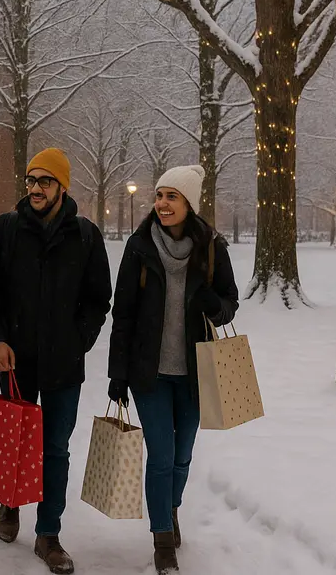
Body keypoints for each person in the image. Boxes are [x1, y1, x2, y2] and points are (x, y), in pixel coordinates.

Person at [0, 147, 112, 575]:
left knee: (55, 449)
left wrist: (79, 340)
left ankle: (48, 534)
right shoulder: (6, 230)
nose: (34, 188)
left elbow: (98, 300)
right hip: (14, 363)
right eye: (31, 181)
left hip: (64, 366)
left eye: (44, 181)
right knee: (15, 442)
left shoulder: (86, 236)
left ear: (62, 187)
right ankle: (10, 502)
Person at [107, 164, 239, 575]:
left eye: (171, 197)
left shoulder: (213, 247)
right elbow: (123, 313)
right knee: (162, 455)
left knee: (183, 456)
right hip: (151, 373)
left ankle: (171, 506)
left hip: (197, 372)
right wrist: (118, 372)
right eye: (160, 196)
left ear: (189, 204)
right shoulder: (139, 247)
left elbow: (230, 303)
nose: (162, 204)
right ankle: (162, 536)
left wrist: (212, 305)